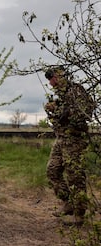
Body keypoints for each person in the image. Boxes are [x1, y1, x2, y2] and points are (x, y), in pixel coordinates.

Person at [44, 68, 95, 220]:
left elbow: (86, 113)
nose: (50, 83)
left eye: (51, 78)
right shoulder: (61, 95)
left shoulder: (75, 90)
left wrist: (60, 110)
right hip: (61, 139)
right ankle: (69, 203)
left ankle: (79, 214)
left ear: (59, 76)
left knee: (75, 176)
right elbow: (60, 118)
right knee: (52, 171)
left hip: (74, 139)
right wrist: (53, 111)